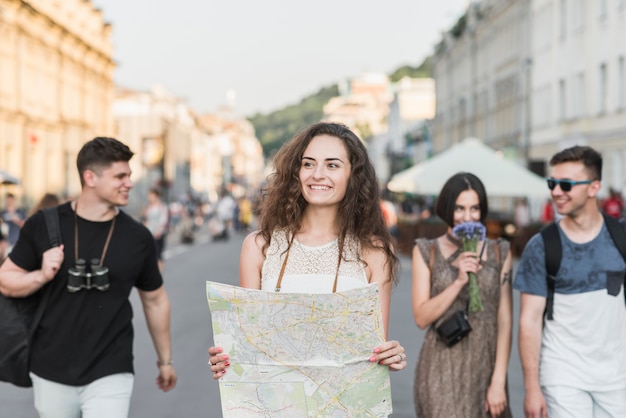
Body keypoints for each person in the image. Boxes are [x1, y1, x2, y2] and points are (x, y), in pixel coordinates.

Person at [207, 122, 407, 381]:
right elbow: (249, 344)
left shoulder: (374, 252)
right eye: (308, 163)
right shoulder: (259, 246)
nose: (317, 174)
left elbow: (373, 350)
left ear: (353, 176)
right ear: (296, 172)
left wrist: (391, 356)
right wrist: (227, 359)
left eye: (332, 165)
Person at [0, 137, 176, 418]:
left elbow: (155, 300)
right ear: (90, 177)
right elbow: (5, 281)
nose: (129, 183)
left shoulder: (137, 237)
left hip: (111, 367)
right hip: (50, 368)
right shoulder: (43, 225)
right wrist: (41, 275)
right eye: (120, 176)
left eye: (129, 175)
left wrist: (165, 360)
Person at [514, 146, 626, 418]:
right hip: (563, 374)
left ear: (593, 187)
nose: (556, 191)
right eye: (553, 183)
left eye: (566, 184)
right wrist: (532, 387)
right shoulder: (542, 246)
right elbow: (529, 320)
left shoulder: (620, 237)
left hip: (616, 376)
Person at [412, 172, 513, 418]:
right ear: (447, 208)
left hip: (486, 367)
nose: (467, 217)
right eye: (459, 209)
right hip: (441, 367)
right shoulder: (427, 250)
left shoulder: (499, 251)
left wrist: (498, 381)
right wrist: (458, 282)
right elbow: (421, 318)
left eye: (474, 209)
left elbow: (504, 319)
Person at [143, 188, 169, 272]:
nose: (149, 197)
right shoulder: (148, 206)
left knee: (158, 254)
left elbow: (164, 220)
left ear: (156, 196)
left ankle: (159, 273)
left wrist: (159, 231)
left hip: (158, 234)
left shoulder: (161, 206)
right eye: (149, 195)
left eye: (151, 195)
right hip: (149, 233)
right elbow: (146, 219)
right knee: (149, 254)